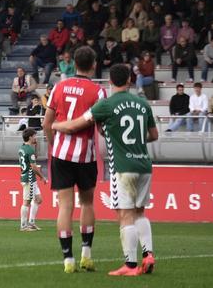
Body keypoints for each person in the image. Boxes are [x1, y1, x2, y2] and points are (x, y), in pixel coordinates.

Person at [53, 64, 158, 276]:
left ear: (110, 81)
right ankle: (148, 254)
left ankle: (130, 265)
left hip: (123, 167)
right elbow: (154, 135)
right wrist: (136, 141)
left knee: (125, 214)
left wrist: (56, 126)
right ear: (129, 81)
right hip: (144, 166)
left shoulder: (106, 105)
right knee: (140, 212)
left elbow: (76, 125)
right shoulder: (143, 104)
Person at [43, 46, 106, 273]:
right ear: (94, 64)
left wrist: (54, 144)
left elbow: (46, 123)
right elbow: (101, 126)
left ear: (74, 64)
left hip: (61, 155)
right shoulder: (98, 92)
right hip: (85, 156)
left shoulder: (59, 86)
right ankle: (86, 255)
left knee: (65, 206)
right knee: (87, 203)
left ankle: (67, 260)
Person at [18, 129, 46, 232]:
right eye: (35, 136)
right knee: (26, 202)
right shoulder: (29, 150)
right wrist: (42, 177)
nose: (36, 138)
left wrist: (36, 146)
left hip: (30, 177)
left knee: (38, 200)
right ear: (30, 137)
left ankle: (31, 223)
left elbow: (35, 156)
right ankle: (23, 226)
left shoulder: (23, 148)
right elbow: (33, 166)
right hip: (29, 177)